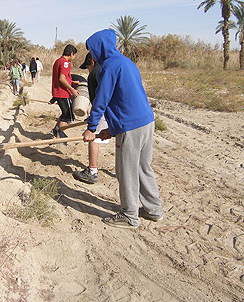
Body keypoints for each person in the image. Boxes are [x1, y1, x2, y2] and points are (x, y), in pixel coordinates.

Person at [82, 29, 163, 229]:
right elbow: (125, 98)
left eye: (92, 50)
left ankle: (129, 215)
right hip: (146, 121)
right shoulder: (127, 63)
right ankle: (154, 210)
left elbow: (102, 100)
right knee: (143, 167)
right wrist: (113, 130)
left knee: (125, 169)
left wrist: (92, 128)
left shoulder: (109, 66)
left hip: (131, 126)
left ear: (99, 48)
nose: (92, 55)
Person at [72, 52, 109, 184]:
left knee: (93, 138)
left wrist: (92, 121)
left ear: (92, 62)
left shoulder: (95, 74)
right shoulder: (108, 69)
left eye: (88, 67)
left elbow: (97, 101)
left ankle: (92, 172)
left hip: (102, 110)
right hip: (112, 111)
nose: (88, 70)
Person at [51, 44, 79, 138]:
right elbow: (61, 79)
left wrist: (72, 81)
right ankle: (59, 137)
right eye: (74, 55)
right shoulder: (66, 63)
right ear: (71, 54)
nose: (74, 58)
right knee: (68, 117)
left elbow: (62, 77)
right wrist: (72, 90)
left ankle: (55, 131)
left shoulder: (58, 61)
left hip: (57, 92)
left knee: (64, 114)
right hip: (63, 93)